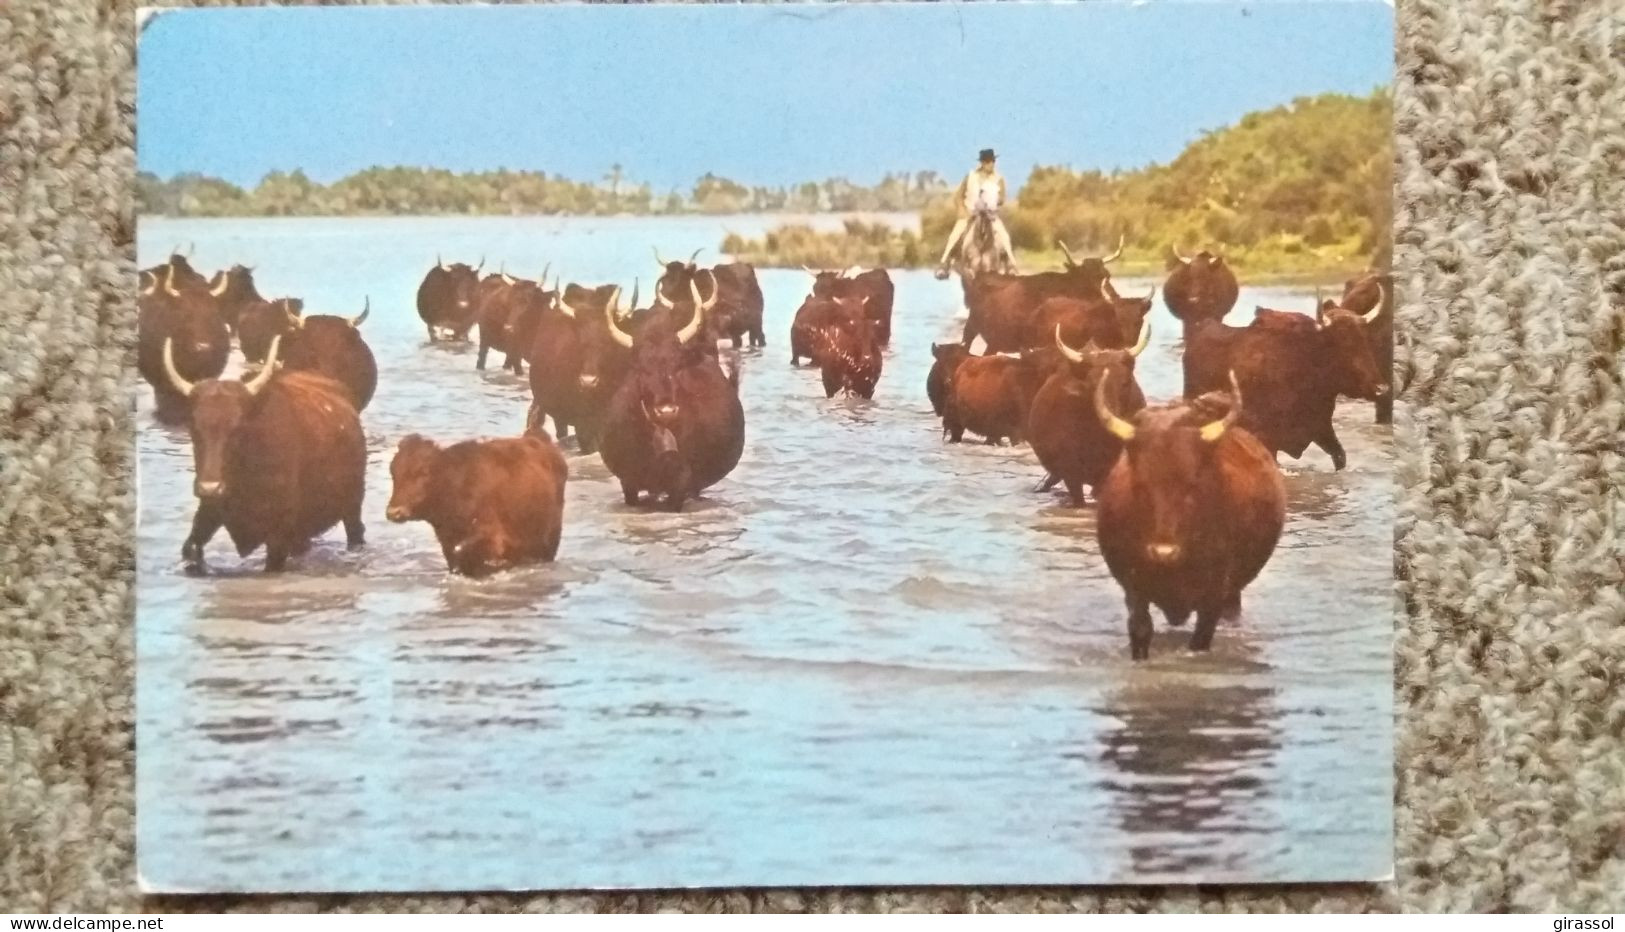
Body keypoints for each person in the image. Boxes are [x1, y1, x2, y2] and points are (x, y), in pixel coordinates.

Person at [937, 148, 1015, 278]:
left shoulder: (998, 179)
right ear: (983, 163)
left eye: (993, 161)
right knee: (955, 235)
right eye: (989, 162)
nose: (991, 164)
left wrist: (994, 202)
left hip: (990, 214)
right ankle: (944, 264)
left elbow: (1002, 198)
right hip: (971, 213)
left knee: (1004, 236)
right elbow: (958, 197)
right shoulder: (971, 176)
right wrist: (962, 212)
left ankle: (1011, 265)